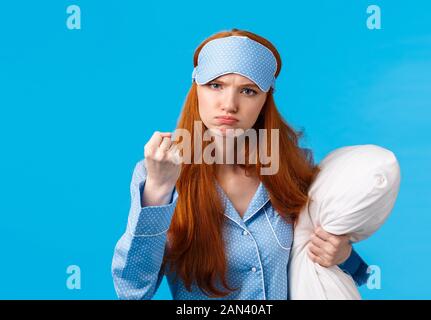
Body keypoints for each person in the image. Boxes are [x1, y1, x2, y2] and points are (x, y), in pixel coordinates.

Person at [111, 29, 369, 300]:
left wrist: (345, 255)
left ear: (265, 99)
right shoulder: (157, 173)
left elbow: (356, 273)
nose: (229, 105)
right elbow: (132, 291)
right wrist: (158, 189)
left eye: (248, 91)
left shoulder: (295, 167)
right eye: (216, 85)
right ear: (196, 88)